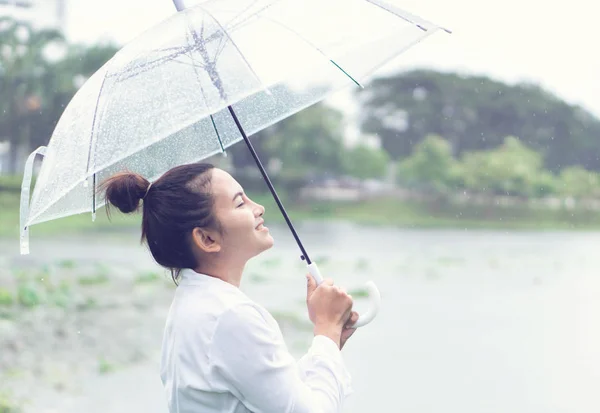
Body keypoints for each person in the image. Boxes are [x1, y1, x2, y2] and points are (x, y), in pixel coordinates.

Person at [100, 162, 359, 413]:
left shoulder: (196, 303)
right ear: (206, 238)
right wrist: (325, 330)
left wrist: (329, 338)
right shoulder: (230, 315)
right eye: (239, 203)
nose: (258, 208)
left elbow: (275, 392)